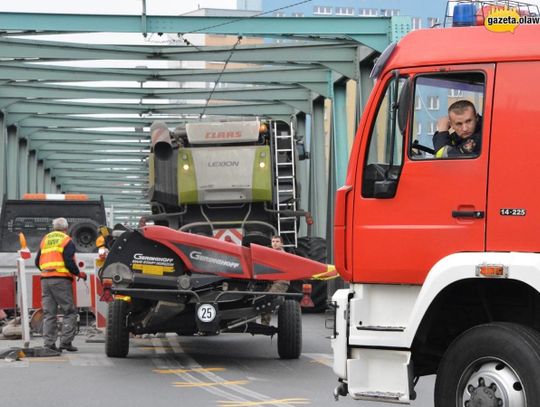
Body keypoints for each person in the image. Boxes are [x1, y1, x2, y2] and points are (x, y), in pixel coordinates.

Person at [35, 217, 87, 352]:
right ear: (66, 228)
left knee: (49, 313)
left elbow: (37, 261)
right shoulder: (66, 240)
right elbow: (69, 261)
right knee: (69, 311)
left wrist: (47, 271)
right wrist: (78, 273)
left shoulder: (45, 239)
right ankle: (65, 342)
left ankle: (49, 344)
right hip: (61, 280)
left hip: (45, 280)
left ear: (53, 228)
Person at [261, 235, 290, 326]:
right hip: (271, 282)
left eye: (277, 241)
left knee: (268, 299)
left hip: (281, 282)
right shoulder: (270, 254)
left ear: (282, 243)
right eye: (273, 241)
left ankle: (265, 324)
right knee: (259, 299)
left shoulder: (285, 255)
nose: (275, 243)